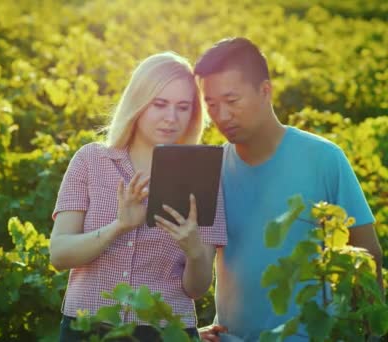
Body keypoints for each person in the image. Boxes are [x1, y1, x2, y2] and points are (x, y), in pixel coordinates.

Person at [193, 37, 384, 341]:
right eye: (211, 105)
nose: (222, 116)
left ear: (265, 91)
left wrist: (374, 334)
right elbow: (194, 270)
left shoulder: (324, 158)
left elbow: (367, 254)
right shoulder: (209, 169)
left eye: (232, 101)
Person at [50, 51, 228, 341]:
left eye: (183, 107)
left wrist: (194, 249)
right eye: (160, 104)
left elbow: (196, 288)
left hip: (165, 332)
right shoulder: (91, 160)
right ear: (139, 103)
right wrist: (119, 226)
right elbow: (59, 254)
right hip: (88, 328)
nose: (171, 118)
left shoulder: (203, 175)